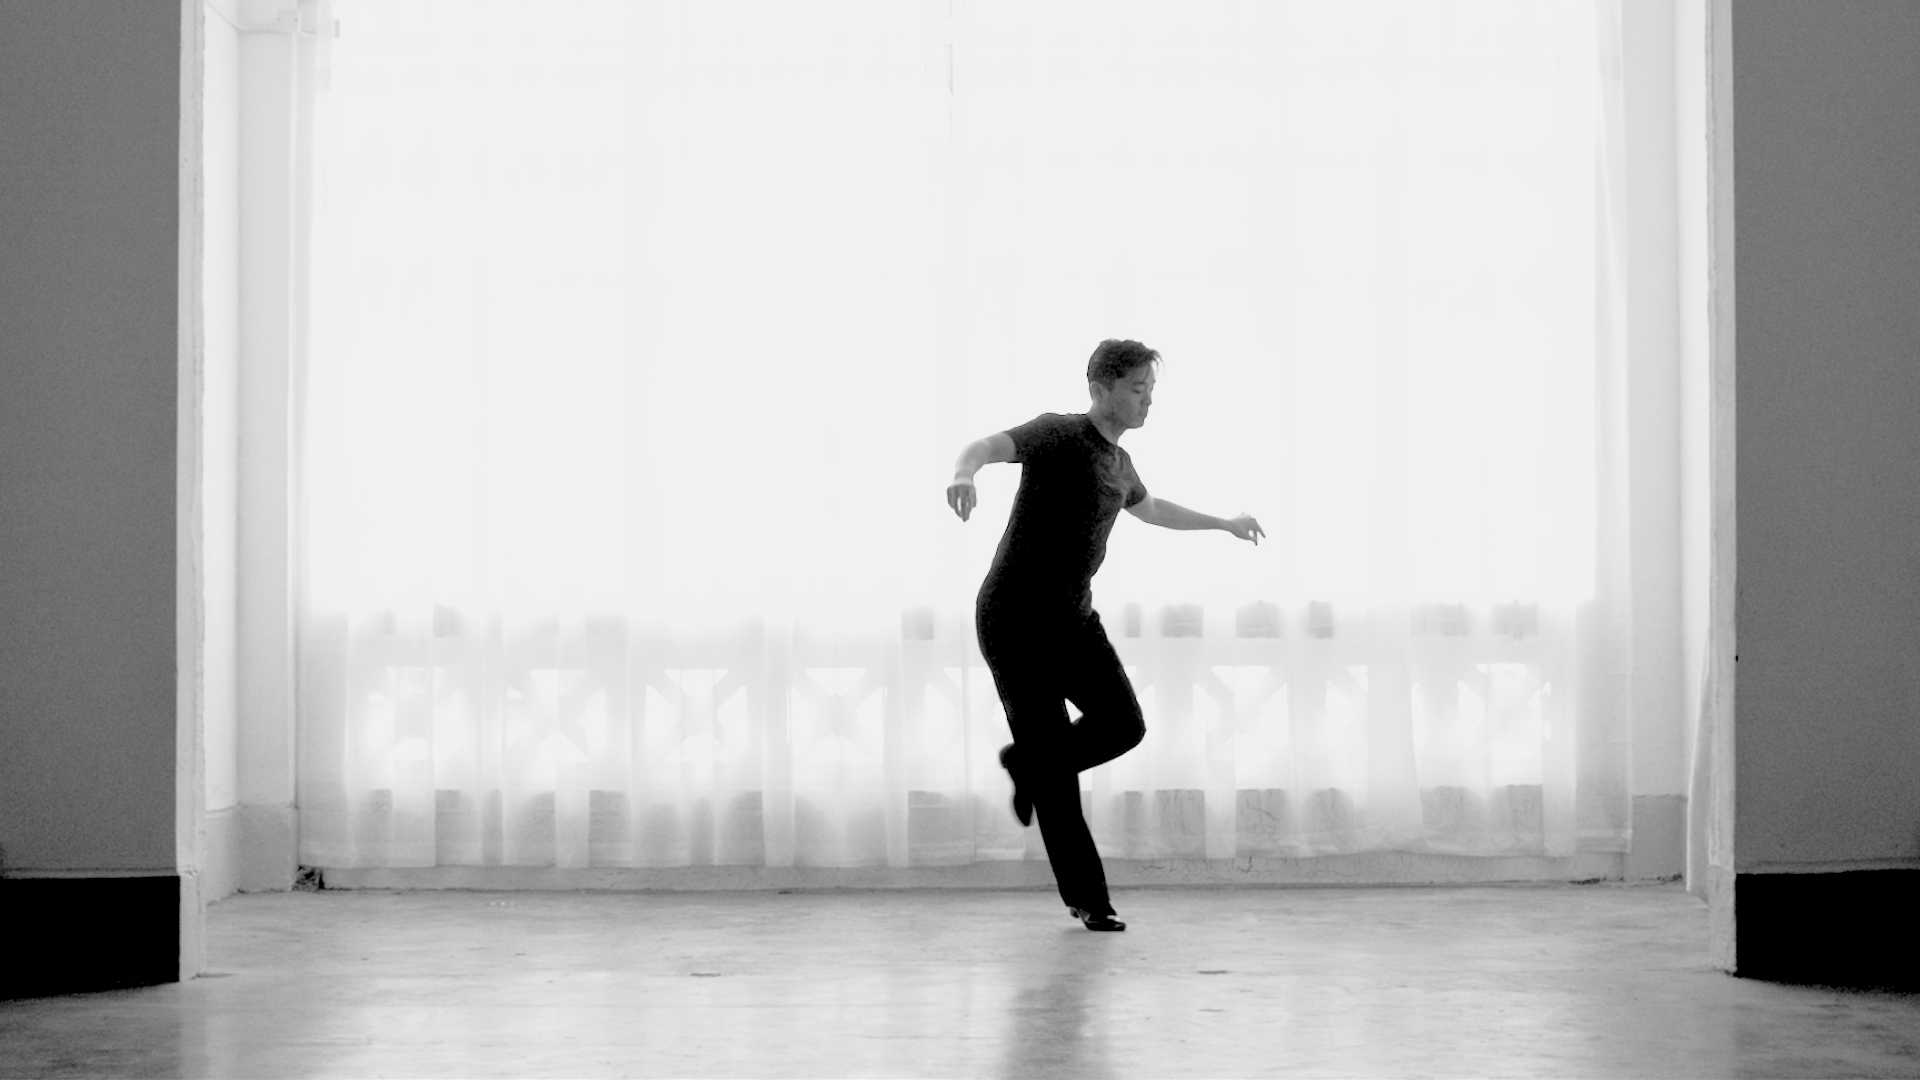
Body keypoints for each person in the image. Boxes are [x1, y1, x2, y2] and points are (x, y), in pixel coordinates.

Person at [946, 338, 1265, 931]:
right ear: (1101, 388)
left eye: (1152, 390)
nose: (1148, 401)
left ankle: (1026, 763)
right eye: (1138, 389)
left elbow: (1154, 509)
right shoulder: (1057, 433)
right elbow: (987, 446)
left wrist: (1224, 523)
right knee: (1056, 773)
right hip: (1014, 619)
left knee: (1123, 725)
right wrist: (964, 473)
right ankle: (1090, 900)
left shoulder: (1120, 464)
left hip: (1072, 620)